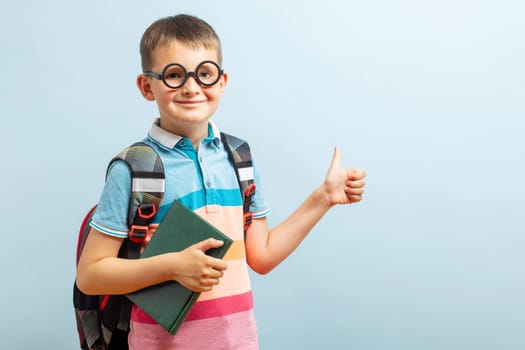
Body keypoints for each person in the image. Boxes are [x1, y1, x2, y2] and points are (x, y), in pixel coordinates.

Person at [76, 14, 366, 349]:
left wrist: (324, 197)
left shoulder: (239, 158)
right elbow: (91, 275)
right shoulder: (134, 168)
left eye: (205, 74)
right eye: (173, 75)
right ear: (146, 86)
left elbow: (263, 256)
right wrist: (172, 266)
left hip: (240, 341)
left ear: (222, 81)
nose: (191, 87)